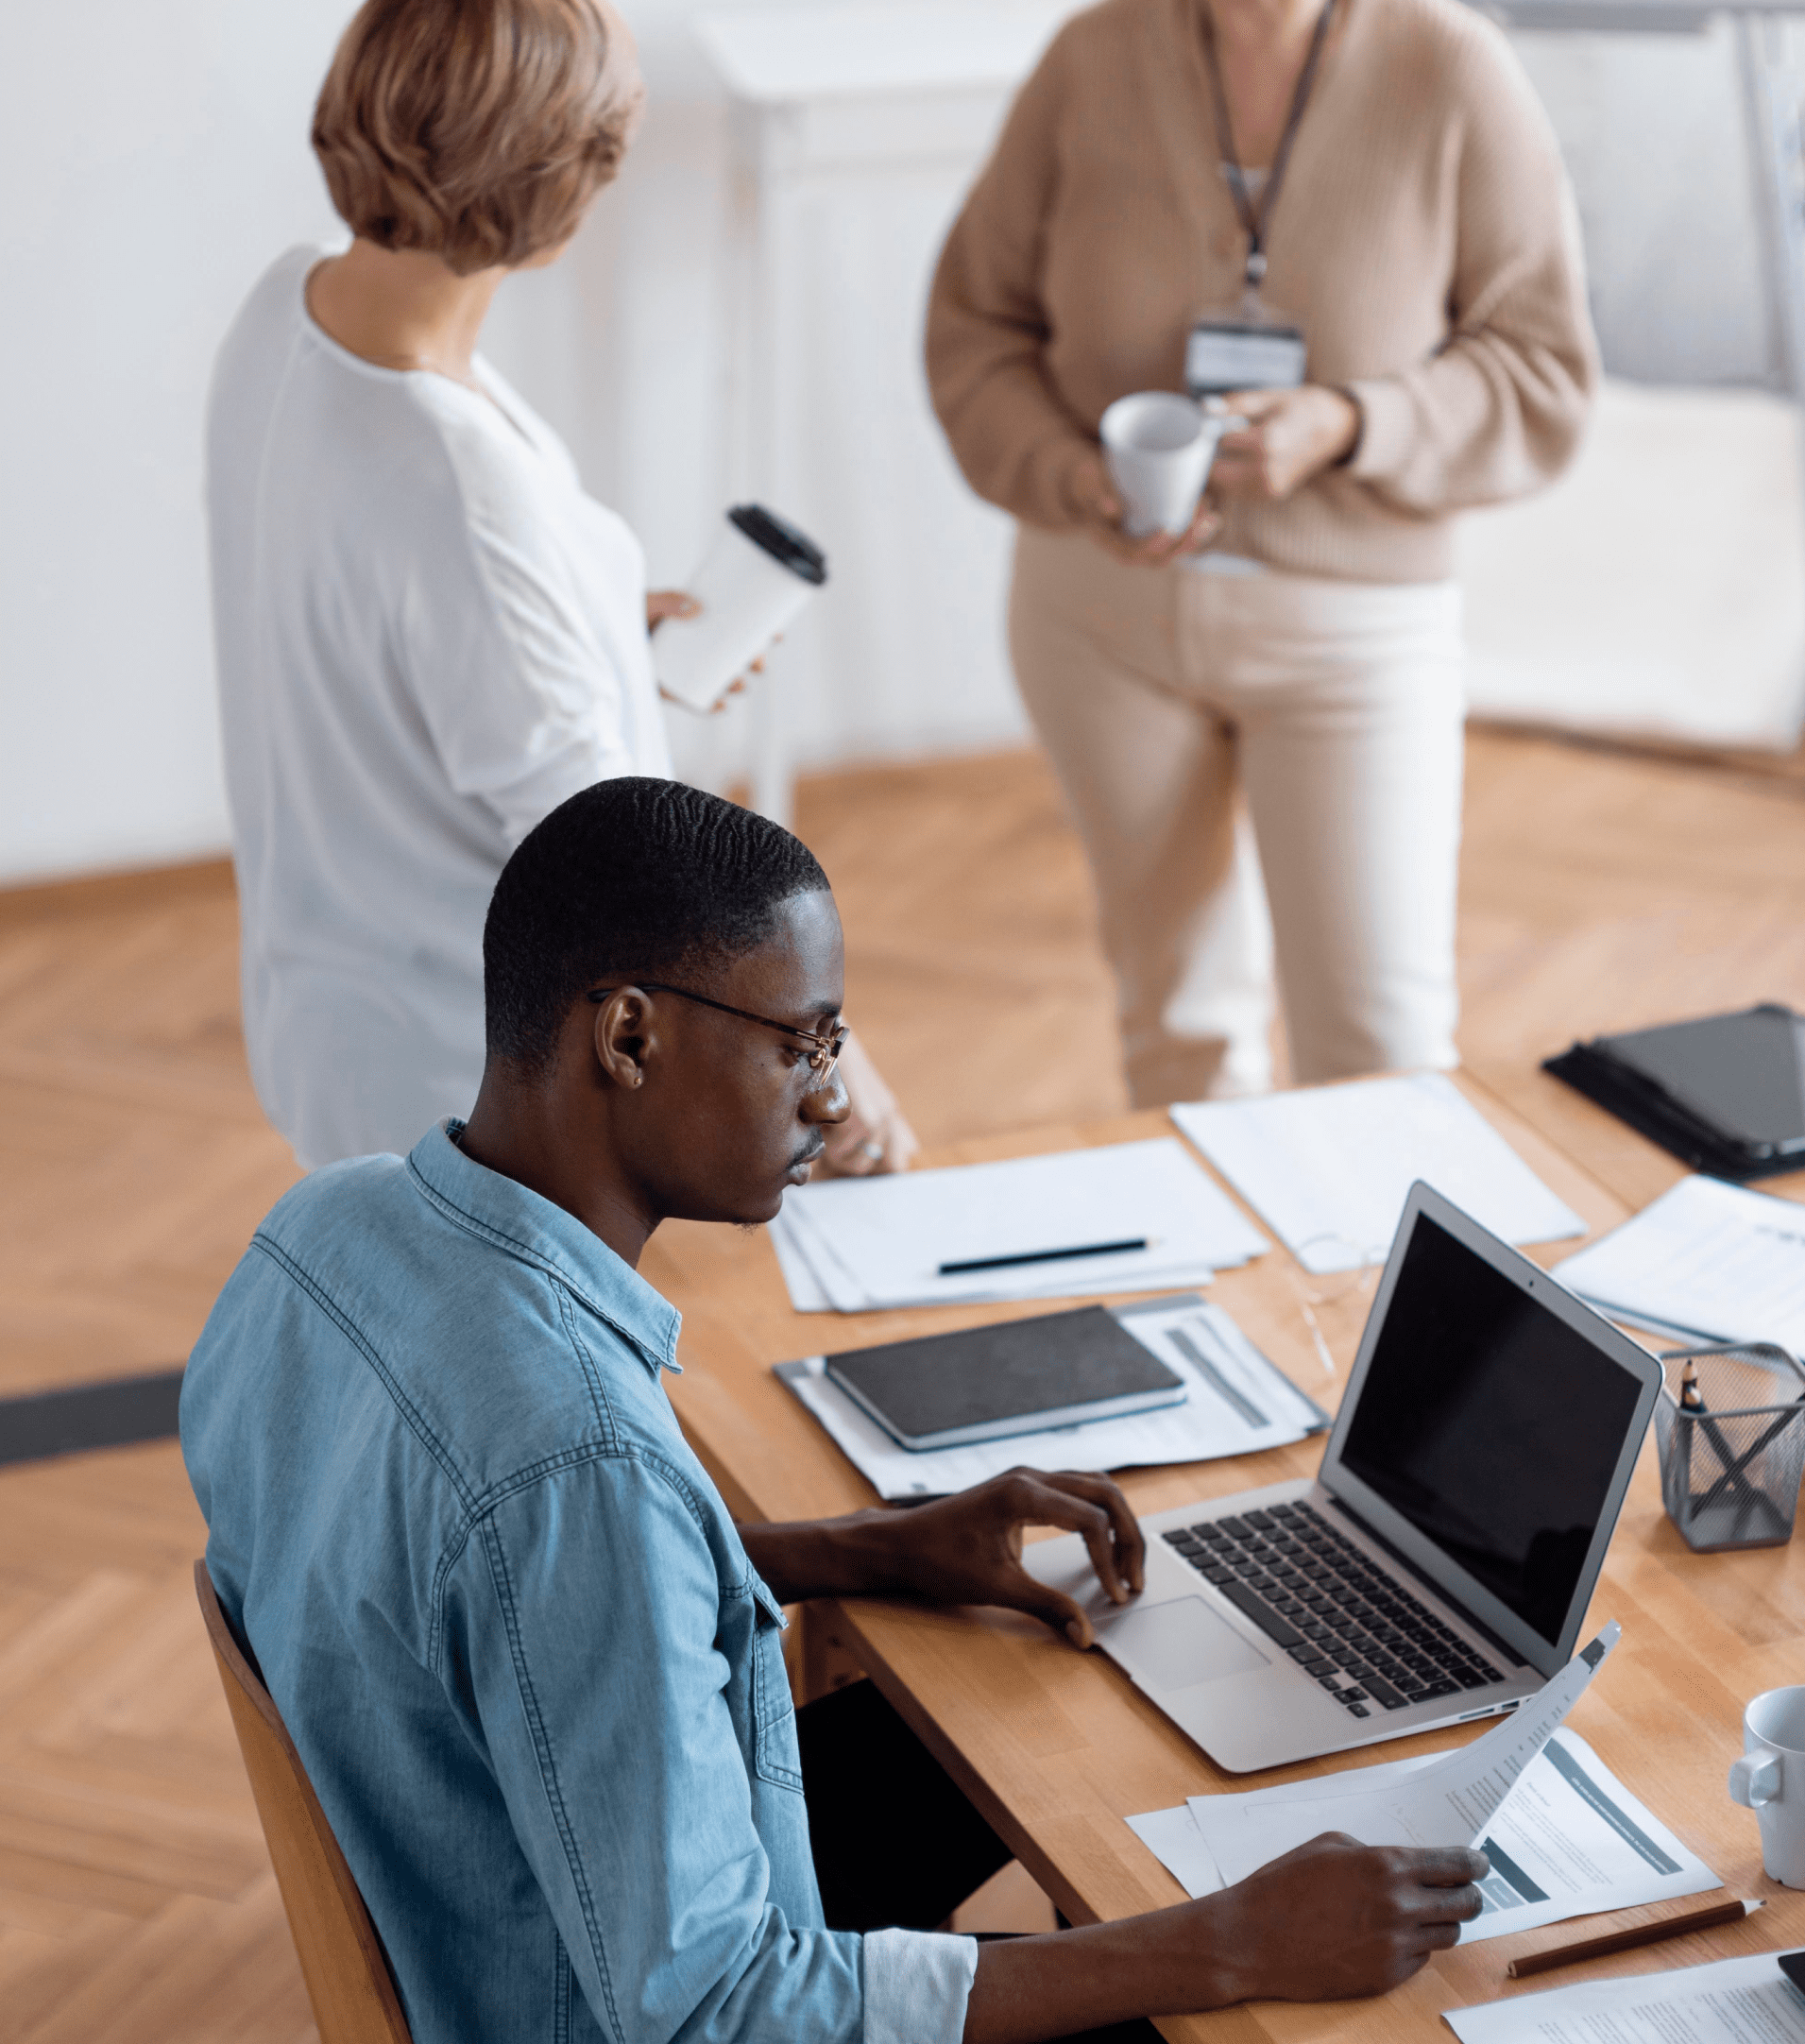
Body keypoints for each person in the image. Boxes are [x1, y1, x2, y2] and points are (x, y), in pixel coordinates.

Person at [181, 776, 1486, 2044]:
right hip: (615, 1997)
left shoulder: (323, 1228)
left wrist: (867, 1547)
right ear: (628, 1037)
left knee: (997, 1736)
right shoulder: (581, 1463)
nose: (831, 1098)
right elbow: (719, 2012)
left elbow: (496, 1592)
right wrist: (1226, 1944)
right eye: (798, 1044)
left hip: (492, 1892)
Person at [207, 0, 914, 1176]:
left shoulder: (290, 309)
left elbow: (375, 598)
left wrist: (583, 630)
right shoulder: (461, 489)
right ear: (552, 182)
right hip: (468, 1073)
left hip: (323, 1003)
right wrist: (826, 1062)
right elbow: (617, 858)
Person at [926, 0, 1598, 1106]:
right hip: (1099, 625)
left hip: (1353, 637)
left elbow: (1544, 371)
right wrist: (1069, 474)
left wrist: (1354, 422)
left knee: (1381, 1052)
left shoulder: (1452, 70)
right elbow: (974, 329)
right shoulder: (1092, 56)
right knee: (1177, 1033)